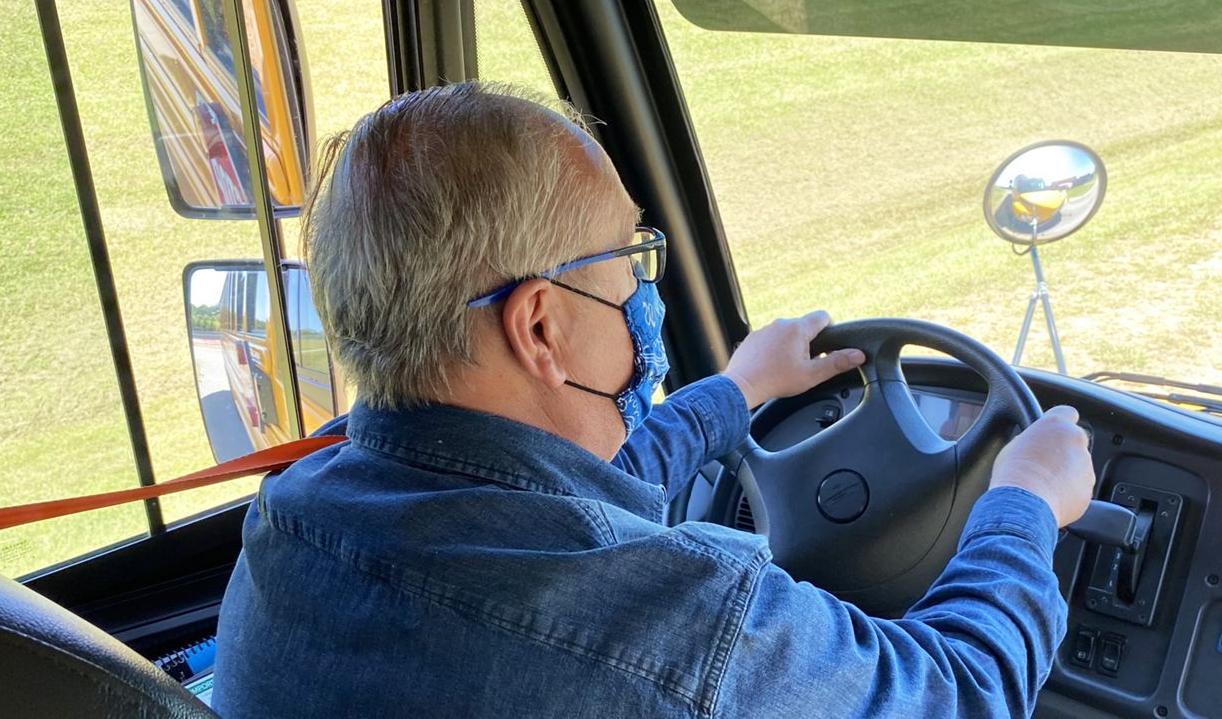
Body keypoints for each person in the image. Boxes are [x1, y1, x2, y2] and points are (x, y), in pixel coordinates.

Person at [214, 82, 1095, 718]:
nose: (644, 293)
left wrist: (740, 389)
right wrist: (1024, 503)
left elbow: (558, 496)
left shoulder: (294, 514)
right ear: (541, 327)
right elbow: (957, 691)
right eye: (626, 262)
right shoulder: (671, 621)